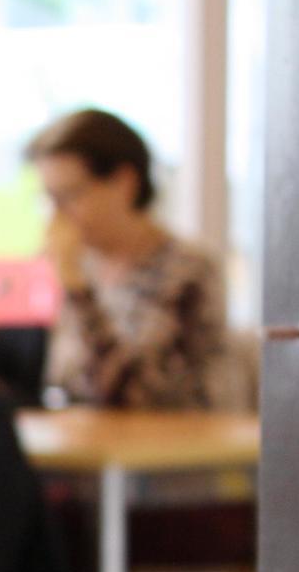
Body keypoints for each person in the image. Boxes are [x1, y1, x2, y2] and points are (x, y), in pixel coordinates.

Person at [29, 109, 232, 410]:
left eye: (70, 195)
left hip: (167, 452)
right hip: (84, 448)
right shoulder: (85, 266)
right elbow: (63, 384)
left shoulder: (186, 270)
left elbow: (135, 397)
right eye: (50, 199)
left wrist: (78, 290)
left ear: (124, 183)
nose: (58, 216)